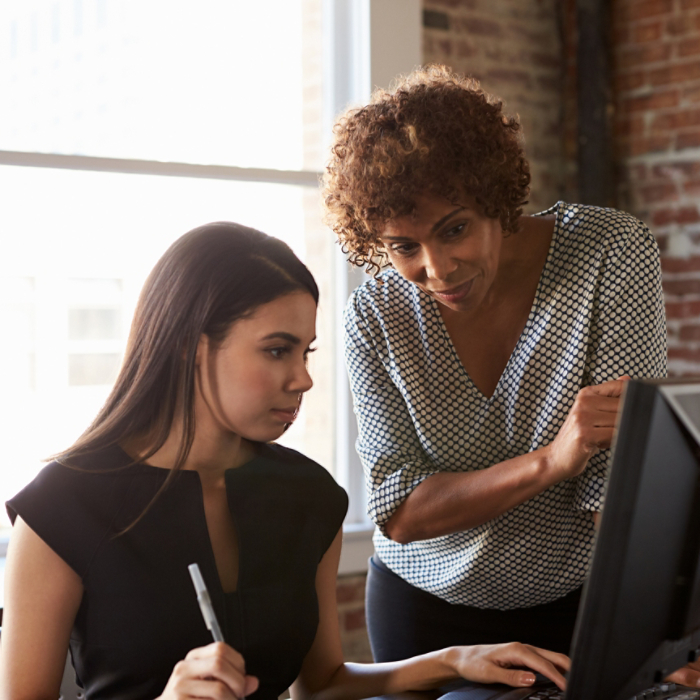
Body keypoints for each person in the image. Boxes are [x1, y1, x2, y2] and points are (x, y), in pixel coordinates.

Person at [0, 222, 570, 700]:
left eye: (305, 352)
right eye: (276, 350)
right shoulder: (62, 507)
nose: (303, 379)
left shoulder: (309, 496)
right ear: (188, 344)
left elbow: (321, 683)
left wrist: (455, 660)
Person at [322, 63, 688, 674]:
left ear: (495, 195)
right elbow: (401, 510)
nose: (436, 269)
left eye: (455, 229)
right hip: (424, 613)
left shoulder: (607, 254)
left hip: (575, 603)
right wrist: (550, 461)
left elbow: (618, 484)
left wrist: (662, 640)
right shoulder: (375, 313)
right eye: (404, 247)